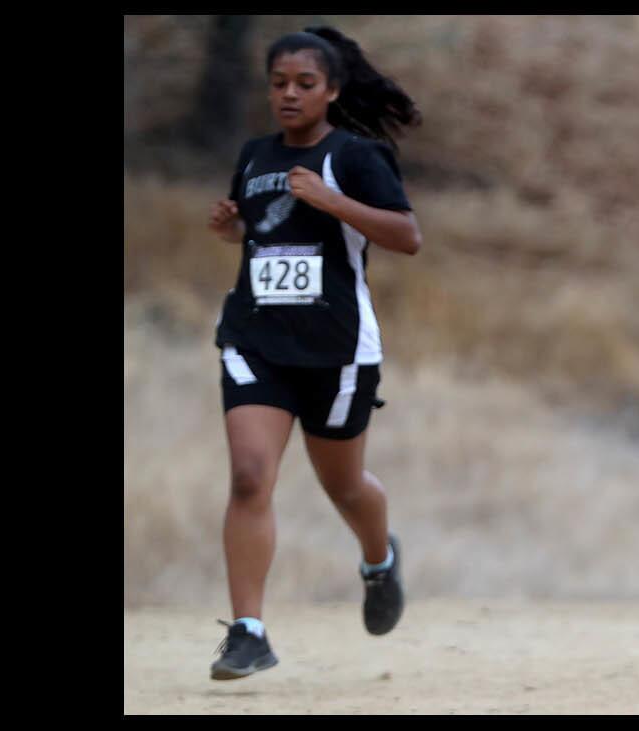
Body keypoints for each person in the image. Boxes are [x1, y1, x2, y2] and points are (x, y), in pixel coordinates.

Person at [205, 26, 423, 681]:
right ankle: (248, 631)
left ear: (331, 90)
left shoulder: (356, 157)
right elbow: (266, 233)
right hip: (256, 339)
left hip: (337, 349)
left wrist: (333, 201)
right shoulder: (254, 154)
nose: (289, 95)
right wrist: (234, 228)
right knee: (249, 476)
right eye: (278, 84)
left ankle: (379, 559)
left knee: (346, 485)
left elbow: (408, 236)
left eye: (304, 84)